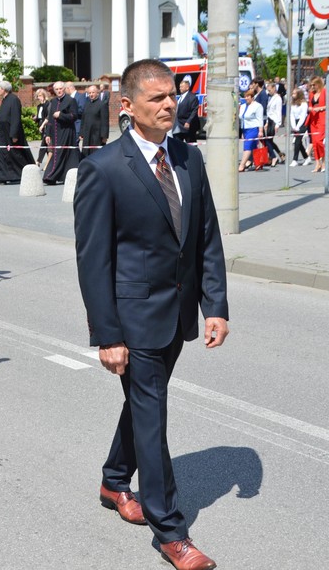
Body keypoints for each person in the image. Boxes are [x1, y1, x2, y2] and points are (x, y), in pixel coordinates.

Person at [73, 58, 228, 570]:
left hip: (177, 314)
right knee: (152, 413)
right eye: (157, 98)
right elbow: (95, 261)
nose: (169, 105)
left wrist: (215, 305)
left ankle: (113, 481)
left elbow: (205, 235)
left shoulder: (189, 158)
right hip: (133, 318)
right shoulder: (103, 168)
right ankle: (170, 531)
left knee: (143, 403)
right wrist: (107, 335)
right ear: (127, 106)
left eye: (173, 95)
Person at [0, 80, 34, 184]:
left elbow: (15, 118)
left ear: (4, 89)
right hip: (2, 133)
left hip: (10, 133)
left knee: (16, 154)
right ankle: (1, 177)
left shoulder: (14, 100)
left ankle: (24, 174)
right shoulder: (5, 100)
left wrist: (14, 134)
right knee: (1, 153)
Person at [42, 81, 80, 185]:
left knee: (60, 153)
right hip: (55, 132)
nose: (59, 91)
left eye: (60, 89)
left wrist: (61, 115)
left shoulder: (70, 100)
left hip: (66, 131)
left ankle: (50, 176)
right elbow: (50, 118)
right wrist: (48, 134)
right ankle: (60, 176)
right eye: (57, 89)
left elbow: (74, 116)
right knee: (58, 153)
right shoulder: (53, 101)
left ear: (64, 89)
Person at [237, 90, 264, 172]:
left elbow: (260, 119)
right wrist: (242, 132)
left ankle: (242, 165)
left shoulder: (257, 106)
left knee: (247, 147)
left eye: (248, 96)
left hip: (253, 128)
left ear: (252, 97)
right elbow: (242, 118)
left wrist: (260, 131)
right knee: (253, 147)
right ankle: (258, 163)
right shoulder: (243, 106)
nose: (246, 98)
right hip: (245, 129)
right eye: (245, 96)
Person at [307, 76, 329, 173]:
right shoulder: (311, 94)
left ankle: (324, 162)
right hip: (313, 120)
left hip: (322, 119)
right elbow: (310, 105)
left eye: (314, 85)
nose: (312, 87)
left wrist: (320, 108)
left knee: (319, 141)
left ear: (319, 84)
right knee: (314, 143)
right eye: (311, 85)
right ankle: (317, 163)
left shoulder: (325, 92)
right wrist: (310, 108)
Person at [80, 84, 109, 155]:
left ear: (97, 93)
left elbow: (105, 121)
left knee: (96, 154)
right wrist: (81, 133)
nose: (91, 94)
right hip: (87, 134)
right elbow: (83, 119)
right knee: (86, 153)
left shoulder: (102, 104)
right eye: (89, 93)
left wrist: (104, 136)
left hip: (97, 135)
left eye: (93, 92)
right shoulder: (87, 103)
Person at [174, 75, 200, 143]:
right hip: (178, 125)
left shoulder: (192, 97)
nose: (180, 88)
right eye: (179, 87)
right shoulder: (180, 97)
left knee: (191, 143)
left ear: (187, 87)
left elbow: (194, 111)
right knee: (178, 144)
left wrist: (188, 122)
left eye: (181, 87)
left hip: (188, 126)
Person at [288, 88, 310, 166]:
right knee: (298, 142)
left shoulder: (304, 104)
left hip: (303, 123)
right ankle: (306, 157)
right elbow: (292, 115)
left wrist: (298, 126)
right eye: (292, 93)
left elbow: (303, 116)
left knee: (297, 141)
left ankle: (295, 159)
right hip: (295, 122)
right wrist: (293, 125)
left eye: (294, 93)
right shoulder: (293, 104)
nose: (293, 95)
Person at [264, 81, 284, 166]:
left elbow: (278, 112)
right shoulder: (271, 97)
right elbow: (269, 111)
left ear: (274, 88)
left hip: (274, 121)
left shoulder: (278, 98)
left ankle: (273, 157)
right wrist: (267, 122)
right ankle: (280, 154)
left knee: (268, 140)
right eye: (268, 90)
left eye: (270, 90)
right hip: (270, 120)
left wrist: (278, 124)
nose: (269, 91)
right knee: (270, 141)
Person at [33, 88, 51, 164]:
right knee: (47, 145)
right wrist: (35, 118)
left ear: (44, 95)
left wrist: (43, 125)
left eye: (40, 95)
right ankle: (49, 162)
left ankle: (38, 161)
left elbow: (48, 116)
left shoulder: (48, 104)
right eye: (38, 96)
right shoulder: (39, 106)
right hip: (41, 124)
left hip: (46, 125)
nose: (38, 97)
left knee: (44, 144)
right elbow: (40, 116)